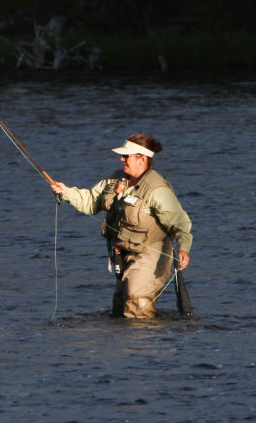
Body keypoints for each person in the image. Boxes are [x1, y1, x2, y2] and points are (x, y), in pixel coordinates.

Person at [49, 133, 193, 318]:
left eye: (126, 156)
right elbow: (91, 201)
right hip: (123, 254)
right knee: (120, 306)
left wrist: (184, 248)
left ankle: (142, 345)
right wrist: (66, 192)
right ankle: (125, 344)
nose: (121, 159)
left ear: (141, 159)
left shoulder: (158, 189)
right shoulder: (116, 179)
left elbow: (180, 222)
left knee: (137, 300)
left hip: (152, 255)